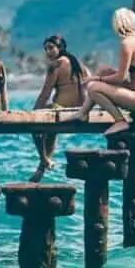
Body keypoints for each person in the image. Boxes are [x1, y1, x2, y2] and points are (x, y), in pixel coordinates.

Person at [68, 8, 135, 135]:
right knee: (105, 71)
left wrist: (96, 79)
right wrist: (103, 75)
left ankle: (120, 121)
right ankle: (83, 113)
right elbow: (131, 76)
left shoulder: (127, 43)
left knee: (93, 87)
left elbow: (120, 78)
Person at [31, 35, 89, 181]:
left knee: (35, 127)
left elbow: (45, 93)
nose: (48, 52)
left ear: (60, 48)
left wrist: (33, 113)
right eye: (45, 49)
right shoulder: (79, 64)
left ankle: (43, 159)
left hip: (61, 108)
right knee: (51, 131)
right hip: (80, 109)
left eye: (51, 48)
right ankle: (43, 166)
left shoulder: (56, 65)